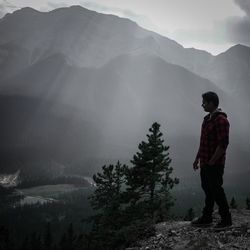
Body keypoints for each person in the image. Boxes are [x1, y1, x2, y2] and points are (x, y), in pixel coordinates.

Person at [192, 91, 232, 229]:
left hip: (214, 164)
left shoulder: (221, 121)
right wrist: (197, 158)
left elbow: (223, 144)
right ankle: (207, 217)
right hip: (205, 162)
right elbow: (203, 142)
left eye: (204, 102)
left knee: (216, 190)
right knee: (208, 190)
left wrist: (212, 161)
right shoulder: (206, 119)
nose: (202, 104)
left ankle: (226, 220)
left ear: (211, 103)